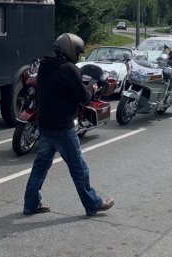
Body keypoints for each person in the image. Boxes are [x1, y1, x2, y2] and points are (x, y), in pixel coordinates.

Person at [23, 33, 114, 217]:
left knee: (40, 167)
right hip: (62, 126)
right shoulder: (68, 68)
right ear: (70, 49)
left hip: (45, 124)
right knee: (79, 168)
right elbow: (84, 97)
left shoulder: (45, 66)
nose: (78, 56)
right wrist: (92, 88)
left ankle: (31, 203)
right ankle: (92, 203)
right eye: (77, 52)